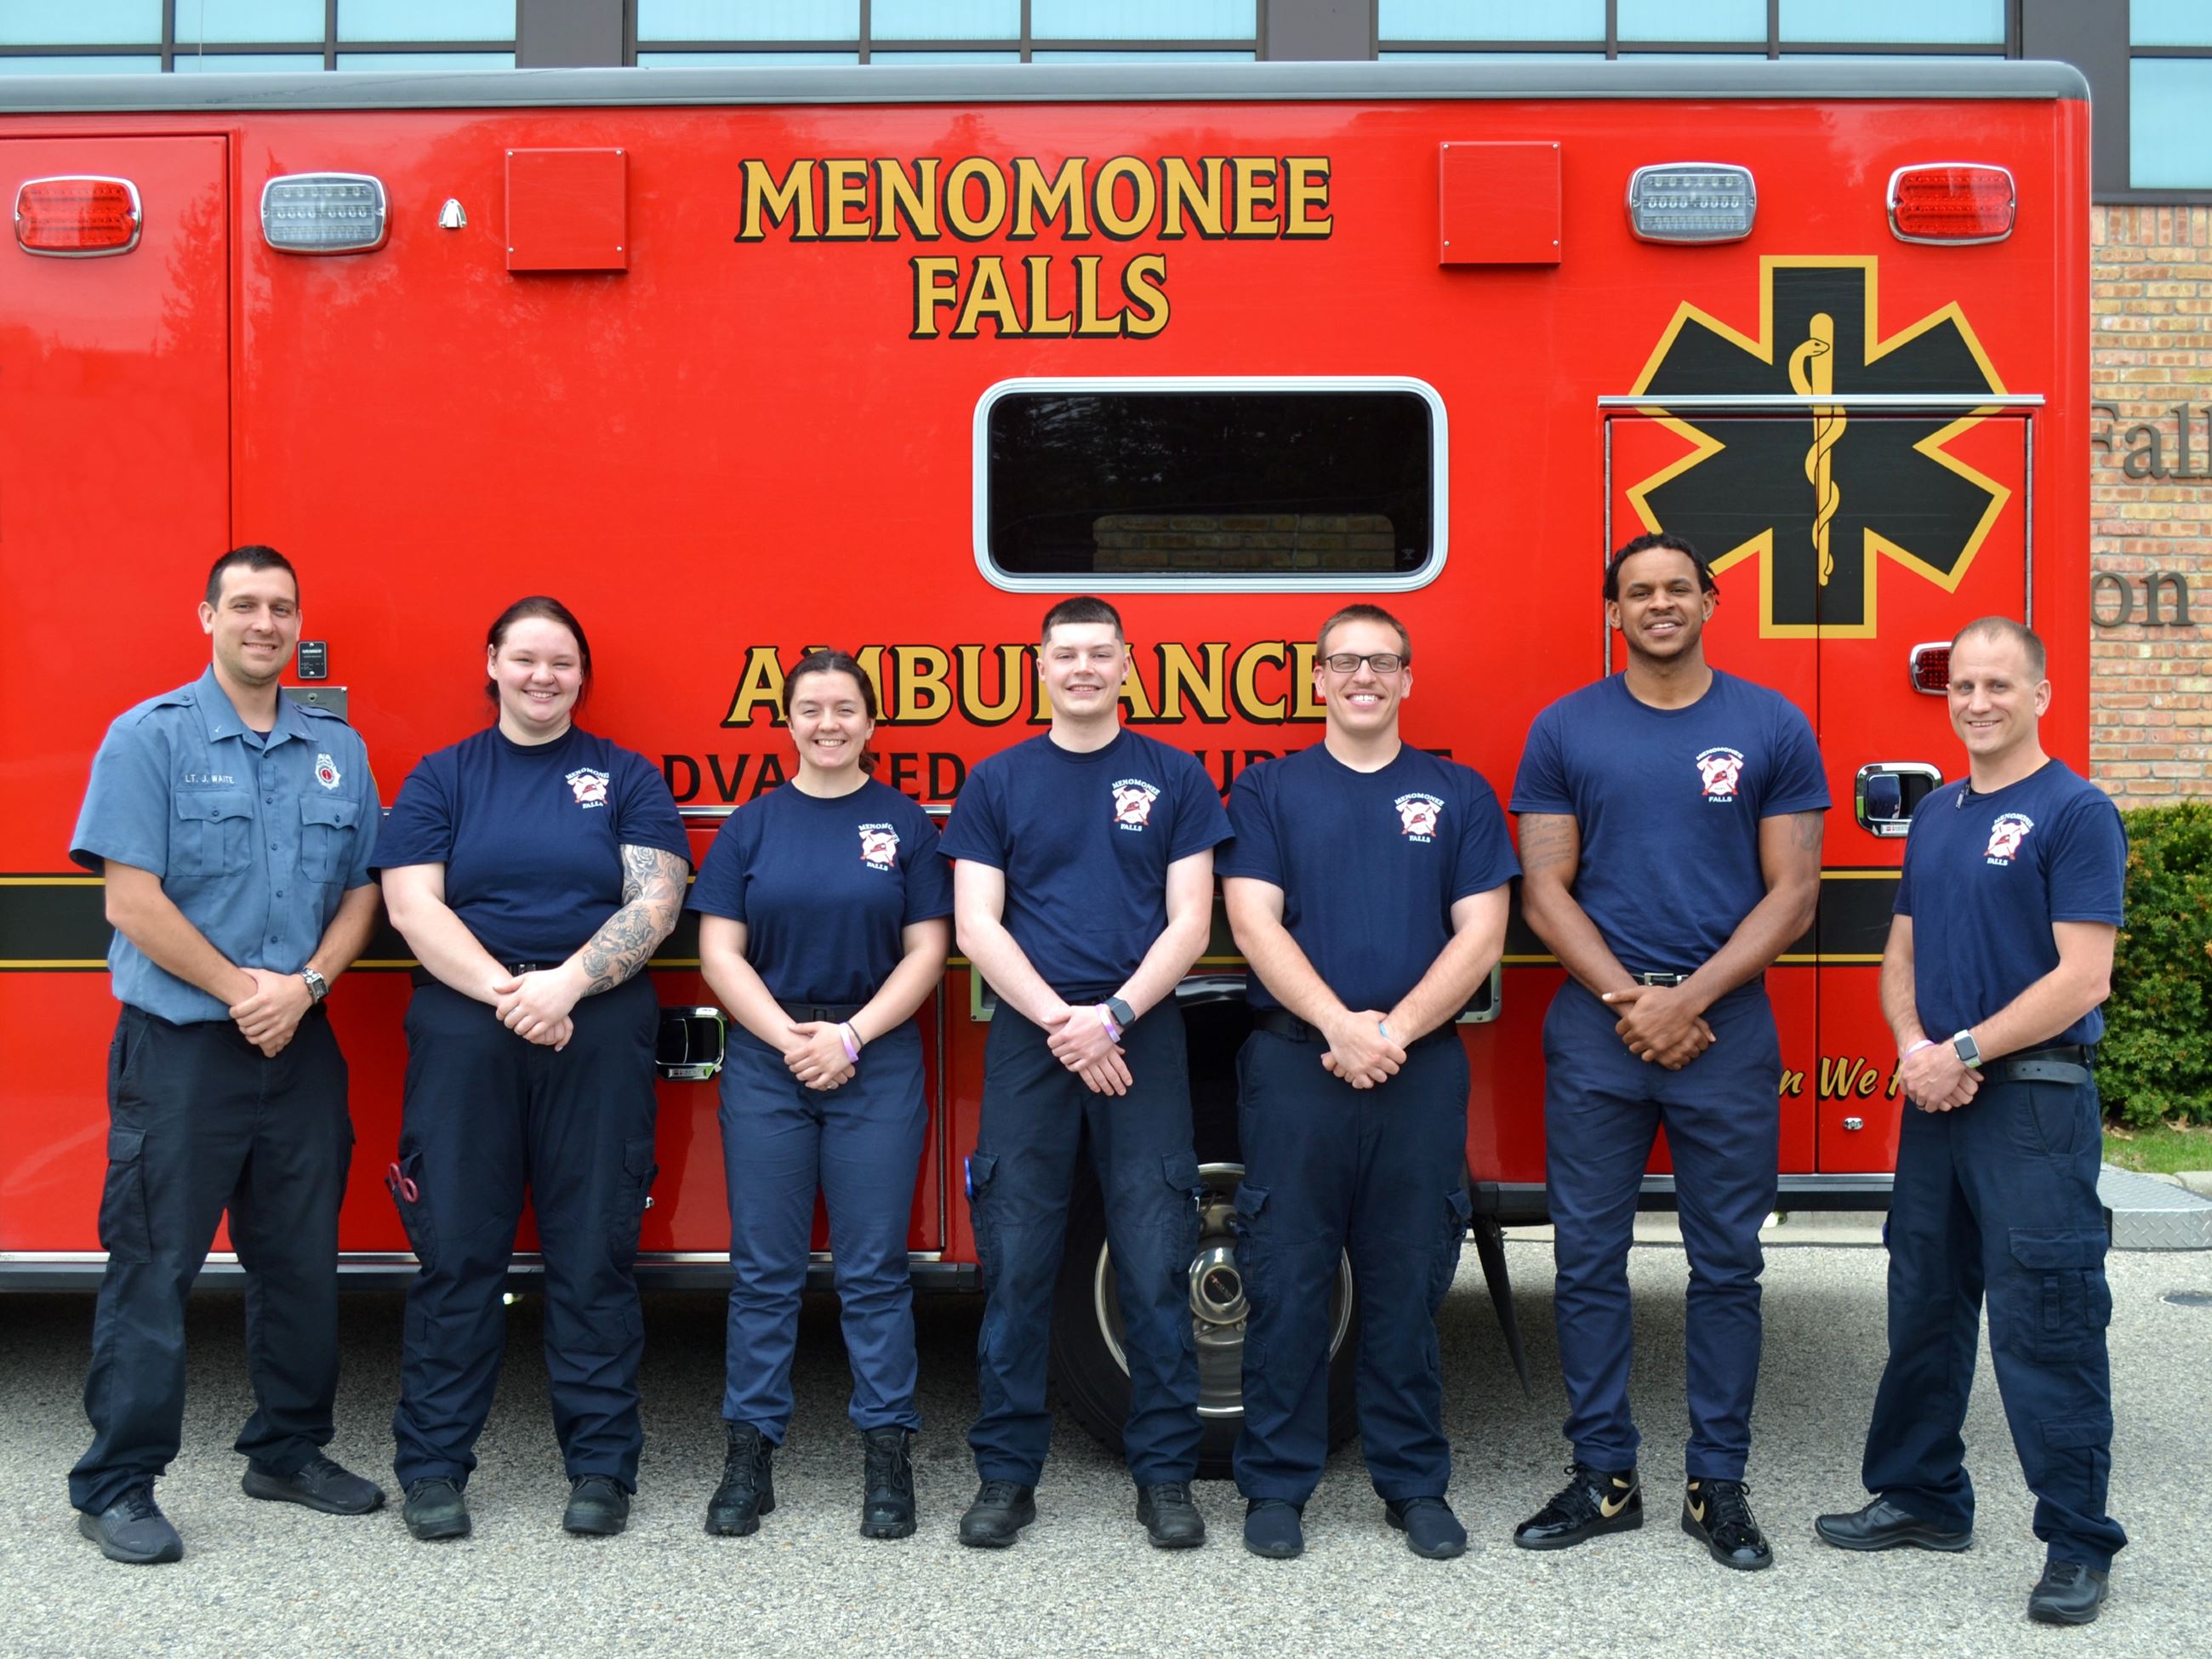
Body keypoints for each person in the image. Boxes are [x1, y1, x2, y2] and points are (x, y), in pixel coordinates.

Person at [1509, 531, 1827, 1571]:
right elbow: (1544, 888)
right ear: (1612, 613)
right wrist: (1625, 998)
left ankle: (1715, 1486)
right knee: (1586, 1263)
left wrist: (1685, 999)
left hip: (1724, 1031)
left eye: (1676, 590)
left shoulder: (1769, 724)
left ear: (1708, 601)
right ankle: (1603, 1477)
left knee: (1726, 1265)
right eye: (1637, 592)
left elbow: (1793, 892)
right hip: (1598, 1033)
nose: (1658, 605)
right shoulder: (1563, 729)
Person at [67, 545, 385, 1565]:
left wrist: (308, 988)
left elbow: (363, 894)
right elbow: (131, 901)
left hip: (301, 1043)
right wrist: (246, 992)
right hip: (182, 1052)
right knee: (154, 1269)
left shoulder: (339, 750)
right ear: (205, 616)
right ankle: (116, 1482)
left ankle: (286, 1451)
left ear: (300, 627)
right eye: (244, 605)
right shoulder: (148, 739)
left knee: (299, 1266)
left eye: (282, 608)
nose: (265, 622)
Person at [1816, 618, 2127, 1626]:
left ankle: (2078, 1542)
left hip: (2031, 1101)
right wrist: (1915, 1047)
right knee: (1923, 1309)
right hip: (1938, 1098)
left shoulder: (2074, 812)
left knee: (2047, 1323)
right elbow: (1898, 952)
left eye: (1999, 684)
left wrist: (1957, 1054)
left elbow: (2082, 975)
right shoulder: (1939, 813)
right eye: (1962, 686)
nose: (1978, 701)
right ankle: (1920, 1496)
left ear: (2040, 694)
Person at [377, 596, 689, 1541]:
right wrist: (510, 993)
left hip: (594, 1030)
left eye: (561, 662)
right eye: (526, 659)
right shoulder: (443, 778)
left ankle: (600, 1469)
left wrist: (564, 988)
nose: (543, 676)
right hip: (468, 1032)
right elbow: (412, 909)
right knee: (457, 1256)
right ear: (493, 665)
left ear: (581, 677)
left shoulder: (626, 777)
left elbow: (656, 904)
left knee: (594, 1256)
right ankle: (432, 1469)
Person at [1220, 604, 1515, 1561]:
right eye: (1342, 662)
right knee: (1287, 1280)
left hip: (1417, 1069)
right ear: (1313, 680)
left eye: (1380, 663)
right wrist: (1338, 1026)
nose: (1361, 678)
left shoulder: (1456, 793)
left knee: (1405, 1284)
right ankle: (1274, 1486)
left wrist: (1390, 1030)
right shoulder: (1264, 793)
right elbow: (1253, 923)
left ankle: (1412, 1484)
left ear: (1406, 679)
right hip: (1294, 1065)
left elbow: (1480, 930)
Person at [939, 596, 1229, 1550]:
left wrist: (1110, 1017)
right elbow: (977, 922)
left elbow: (1191, 920)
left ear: (1126, 664)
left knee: (1151, 1264)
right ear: (1041, 665)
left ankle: (1165, 1477)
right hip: (1034, 1036)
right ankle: (1005, 1478)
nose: (1082, 668)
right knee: (1018, 1267)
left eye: (1098, 653)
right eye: (1065, 653)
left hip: (1137, 1032)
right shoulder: (998, 780)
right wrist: (1064, 1022)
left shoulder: (1172, 775)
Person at [691, 651, 952, 1542]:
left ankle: (886, 1460)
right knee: (763, 1271)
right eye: (811, 709)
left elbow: (927, 951)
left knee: (873, 1270)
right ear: (788, 722)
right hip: (771, 1059)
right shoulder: (751, 826)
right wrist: (790, 1040)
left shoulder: (904, 824)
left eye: (845, 709)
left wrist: (849, 1037)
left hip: (871, 1055)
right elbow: (719, 952)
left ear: (872, 725)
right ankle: (748, 1459)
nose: (828, 723)